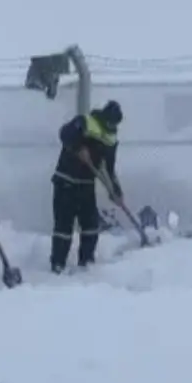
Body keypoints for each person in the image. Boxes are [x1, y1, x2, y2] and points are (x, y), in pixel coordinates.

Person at [50, 100, 123, 273]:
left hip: (86, 185)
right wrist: (78, 147)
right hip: (66, 181)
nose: (111, 126)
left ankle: (87, 262)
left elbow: (109, 169)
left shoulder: (111, 138)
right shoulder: (85, 122)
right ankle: (58, 264)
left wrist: (116, 191)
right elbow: (64, 134)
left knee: (90, 225)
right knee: (64, 226)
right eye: (109, 122)